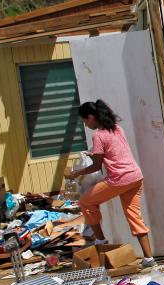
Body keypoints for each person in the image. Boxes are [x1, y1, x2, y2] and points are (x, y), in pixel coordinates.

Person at [66, 99, 155, 268]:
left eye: (85, 121)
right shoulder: (117, 129)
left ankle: (100, 239)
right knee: (134, 216)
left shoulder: (98, 135)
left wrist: (76, 173)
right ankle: (149, 258)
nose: (85, 125)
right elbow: (113, 152)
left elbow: (97, 166)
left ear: (91, 117)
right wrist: (95, 153)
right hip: (135, 177)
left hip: (119, 179)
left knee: (85, 202)